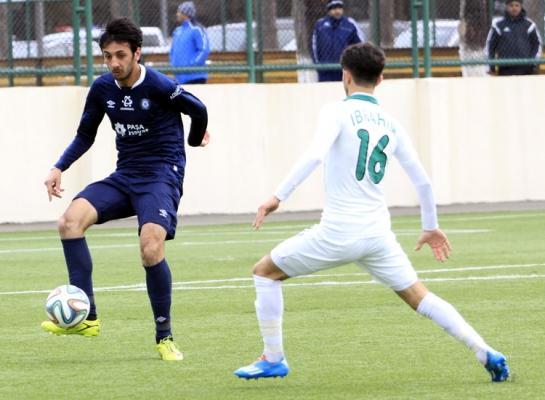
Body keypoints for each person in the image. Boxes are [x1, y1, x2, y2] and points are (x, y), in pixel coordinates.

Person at [234, 43, 510, 382]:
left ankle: (273, 357)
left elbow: (315, 155)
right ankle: (485, 351)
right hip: (378, 235)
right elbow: (423, 181)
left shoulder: (336, 112)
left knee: (264, 273)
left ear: (345, 76)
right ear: (380, 79)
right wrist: (430, 226)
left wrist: (277, 197)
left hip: (338, 233)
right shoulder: (392, 124)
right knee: (419, 296)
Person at [42, 17, 210, 361]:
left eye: (120, 55)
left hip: (161, 175)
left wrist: (194, 140)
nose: (114, 63)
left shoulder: (160, 85)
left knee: (150, 246)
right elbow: (85, 134)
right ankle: (86, 319)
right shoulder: (103, 89)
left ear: (137, 53)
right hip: (126, 175)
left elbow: (198, 109)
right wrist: (59, 166)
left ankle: (164, 337)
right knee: (69, 222)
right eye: (108, 56)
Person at [312, 0, 363, 82]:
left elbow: (360, 46)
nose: (337, 11)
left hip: (345, 69)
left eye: (339, 7)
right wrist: (318, 65)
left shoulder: (350, 25)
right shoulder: (320, 25)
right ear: (329, 10)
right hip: (325, 70)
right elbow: (314, 46)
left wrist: (354, 65)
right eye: (334, 8)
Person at [486, 0, 541, 76]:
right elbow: (490, 46)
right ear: (506, 6)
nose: (514, 8)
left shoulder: (529, 25)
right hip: (505, 68)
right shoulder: (498, 25)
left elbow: (537, 44)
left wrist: (533, 62)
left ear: (521, 7)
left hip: (527, 68)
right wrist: (491, 67)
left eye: (517, 5)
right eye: (511, 5)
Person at [170, 1, 210, 84]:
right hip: (180, 78)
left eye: (179, 12)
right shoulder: (178, 31)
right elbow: (173, 51)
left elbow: (204, 49)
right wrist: (173, 65)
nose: (177, 14)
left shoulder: (197, 29)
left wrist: (192, 65)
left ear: (186, 14)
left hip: (195, 77)